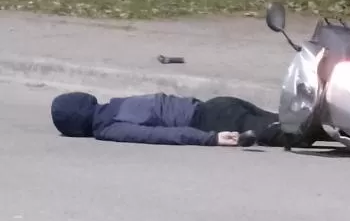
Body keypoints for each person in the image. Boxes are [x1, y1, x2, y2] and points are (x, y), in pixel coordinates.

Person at [50, 91, 292, 147]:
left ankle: (325, 131)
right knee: (295, 121)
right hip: (218, 104)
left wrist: (211, 138)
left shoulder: (108, 128)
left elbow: (159, 134)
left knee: (294, 133)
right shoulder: (116, 104)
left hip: (212, 121)